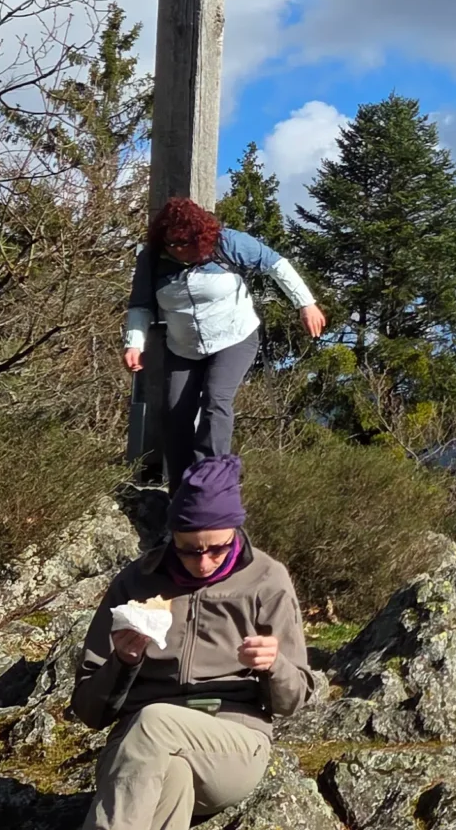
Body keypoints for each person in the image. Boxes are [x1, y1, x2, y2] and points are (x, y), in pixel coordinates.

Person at [72, 456, 310, 830]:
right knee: (173, 774)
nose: (203, 564)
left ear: (236, 531)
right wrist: (124, 661)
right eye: (189, 549)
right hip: (137, 749)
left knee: (155, 721)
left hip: (233, 743)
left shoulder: (267, 580)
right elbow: (89, 711)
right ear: (172, 536)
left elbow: (292, 701)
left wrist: (274, 665)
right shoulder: (135, 582)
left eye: (217, 549)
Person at [125, 197, 326, 488]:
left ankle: (212, 484)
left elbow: (276, 264)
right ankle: (181, 494)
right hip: (183, 347)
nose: (179, 250)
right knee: (174, 414)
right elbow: (141, 305)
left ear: (200, 236)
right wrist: (134, 343)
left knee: (215, 400)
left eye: (185, 243)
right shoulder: (152, 259)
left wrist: (306, 304)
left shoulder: (226, 243)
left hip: (234, 338)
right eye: (172, 243)